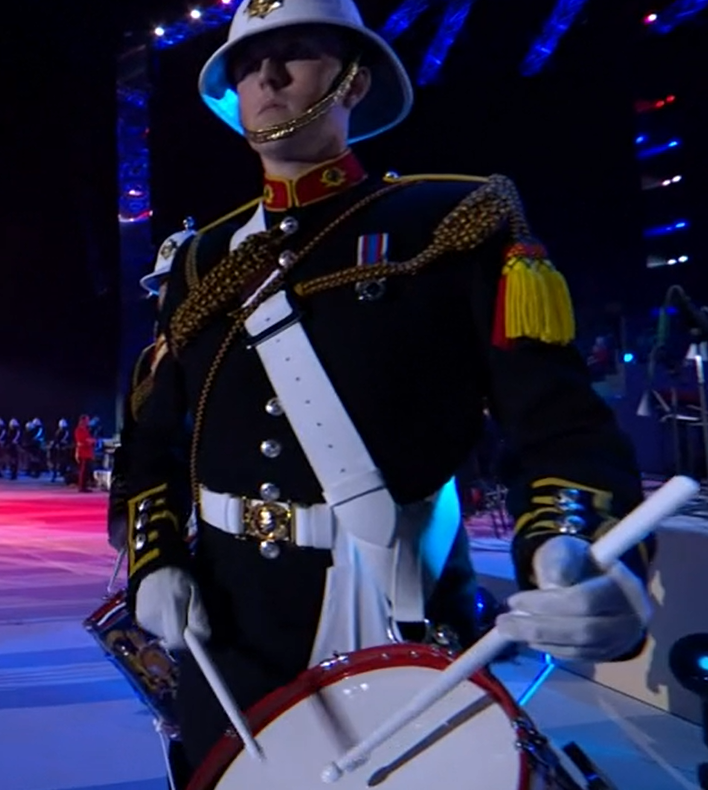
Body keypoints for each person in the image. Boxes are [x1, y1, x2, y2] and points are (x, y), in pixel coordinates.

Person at [122, 0, 655, 777]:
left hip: (392, 617)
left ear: (355, 80)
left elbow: (560, 428)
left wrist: (575, 546)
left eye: (295, 52)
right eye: (245, 63)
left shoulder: (452, 218)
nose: (266, 76)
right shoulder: (203, 260)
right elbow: (150, 439)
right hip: (227, 635)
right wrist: (154, 557)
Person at [110, 219, 197, 553]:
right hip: (156, 514)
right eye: (165, 285)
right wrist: (121, 512)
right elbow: (130, 444)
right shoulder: (144, 363)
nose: (171, 294)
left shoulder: (232, 351)